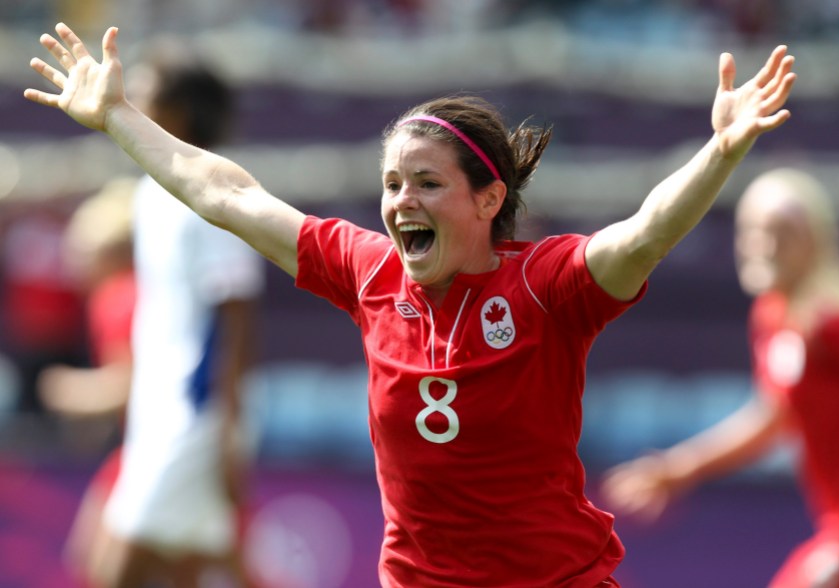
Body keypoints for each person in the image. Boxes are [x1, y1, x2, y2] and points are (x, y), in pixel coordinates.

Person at [25, 22, 795, 587]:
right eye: (393, 184)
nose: (401, 203)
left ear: (489, 197)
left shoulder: (549, 286)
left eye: (427, 183)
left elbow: (646, 232)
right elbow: (226, 193)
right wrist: (121, 119)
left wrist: (719, 152)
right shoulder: (368, 273)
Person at [30, 34, 266, 588]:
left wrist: (229, 431)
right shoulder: (151, 193)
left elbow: (235, 318)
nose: (127, 99)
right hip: (162, 416)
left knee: (116, 568)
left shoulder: (213, 192)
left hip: (194, 421)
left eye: (142, 92)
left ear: (177, 112)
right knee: (192, 570)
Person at [601, 168, 839, 588]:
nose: (764, 244)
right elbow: (775, 416)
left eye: (782, 231)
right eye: (752, 230)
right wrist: (679, 469)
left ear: (814, 238)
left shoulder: (831, 323)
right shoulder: (775, 316)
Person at [36, 176, 137, 587]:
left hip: (153, 452)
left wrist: (66, 391)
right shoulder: (135, 292)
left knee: (98, 565)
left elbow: (129, 386)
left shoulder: (117, 297)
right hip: (154, 448)